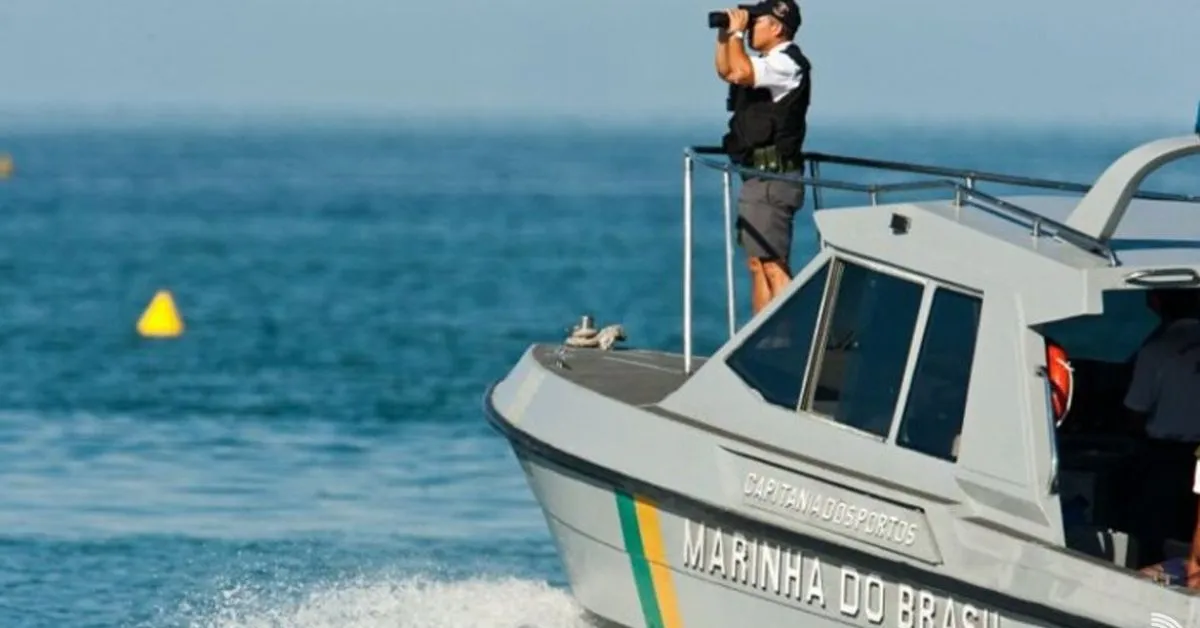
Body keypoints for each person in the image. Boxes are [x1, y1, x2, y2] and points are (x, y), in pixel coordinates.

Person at [715, 0, 813, 315]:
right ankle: (767, 335)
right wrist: (724, 34)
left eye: (757, 21)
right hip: (757, 176)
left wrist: (736, 35)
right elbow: (728, 70)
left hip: (774, 178)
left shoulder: (787, 63)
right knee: (758, 264)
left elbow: (742, 71)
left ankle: (792, 334)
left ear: (777, 27)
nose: (750, 26)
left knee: (773, 264)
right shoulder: (768, 63)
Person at [1123, 288, 1200, 566]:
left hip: (1165, 460)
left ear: (1155, 302)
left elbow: (1135, 411)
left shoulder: (1155, 351)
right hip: (1193, 454)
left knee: (1155, 539)